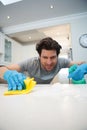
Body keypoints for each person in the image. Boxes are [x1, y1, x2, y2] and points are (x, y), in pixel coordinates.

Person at [0, 37, 84, 90]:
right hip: (31, 91)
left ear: (57, 56)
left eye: (53, 57)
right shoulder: (31, 63)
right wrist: (8, 74)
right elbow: (2, 68)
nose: (49, 62)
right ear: (39, 56)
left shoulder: (62, 62)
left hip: (46, 90)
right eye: (45, 57)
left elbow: (80, 64)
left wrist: (84, 67)